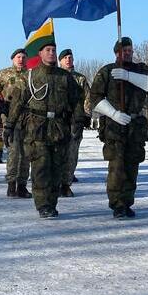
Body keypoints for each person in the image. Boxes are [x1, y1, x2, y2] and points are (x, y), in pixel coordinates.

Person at [5, 41, 86, 218]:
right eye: (48, 50)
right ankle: (43, 205)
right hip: (36, 129)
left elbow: (77, 101)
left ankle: (52, 202)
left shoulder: (65, 77)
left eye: (54, 50)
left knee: (56, 169)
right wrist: (9, 125)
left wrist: (79, 122)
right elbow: (17, 103)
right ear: (40, 54)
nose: (51, 53)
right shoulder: (30, 76)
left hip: (59, 128)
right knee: (40, 168)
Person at [89, 37, 148, 217]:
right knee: (117, 167)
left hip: (135, 127)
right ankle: (117, 204)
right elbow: (94, 98)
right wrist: (113, 113)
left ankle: (127, 202)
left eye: (129, 50)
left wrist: (129, 76)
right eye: (123, 50)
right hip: (114, 127)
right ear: (116, 52)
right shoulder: (107, 72)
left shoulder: (140, 69)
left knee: (132, 167)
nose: (127, 53)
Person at [0, 49, 31, 198]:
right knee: (14, 151)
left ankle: (22, 185)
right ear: (12, 59)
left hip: (28, 117)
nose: (21, 60)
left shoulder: (31, 75)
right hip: (10, 116)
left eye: (23, 57)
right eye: (18, 57)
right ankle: (11, 184)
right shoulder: (4, 74)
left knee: (26, 153)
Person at [58, 48, 90, 195]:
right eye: (65, 58)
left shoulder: (80, 79)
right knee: (57, 152)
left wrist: (86, 116)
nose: (68, 60)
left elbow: (88, 98)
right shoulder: (56, 76)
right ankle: (55, 180)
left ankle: (66, 183)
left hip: (74, 120)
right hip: (57, 121)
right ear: (60, 61)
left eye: (70, 57)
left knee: (72, 152)